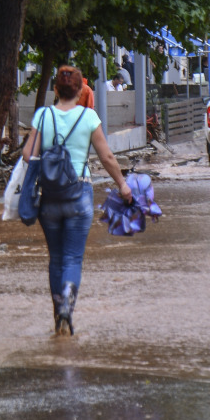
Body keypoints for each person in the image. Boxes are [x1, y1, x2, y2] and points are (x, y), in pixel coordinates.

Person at [23, 65, 132, 335]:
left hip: (48, 197)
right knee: (73, 257)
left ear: (56, 89)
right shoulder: (89, 117)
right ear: (82, 90)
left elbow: (28, 155)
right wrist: (122, 185)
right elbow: (107, 157)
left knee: (56, 258)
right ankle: (68, 305)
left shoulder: (42, 116)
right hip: (79, 193)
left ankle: (57, 315)